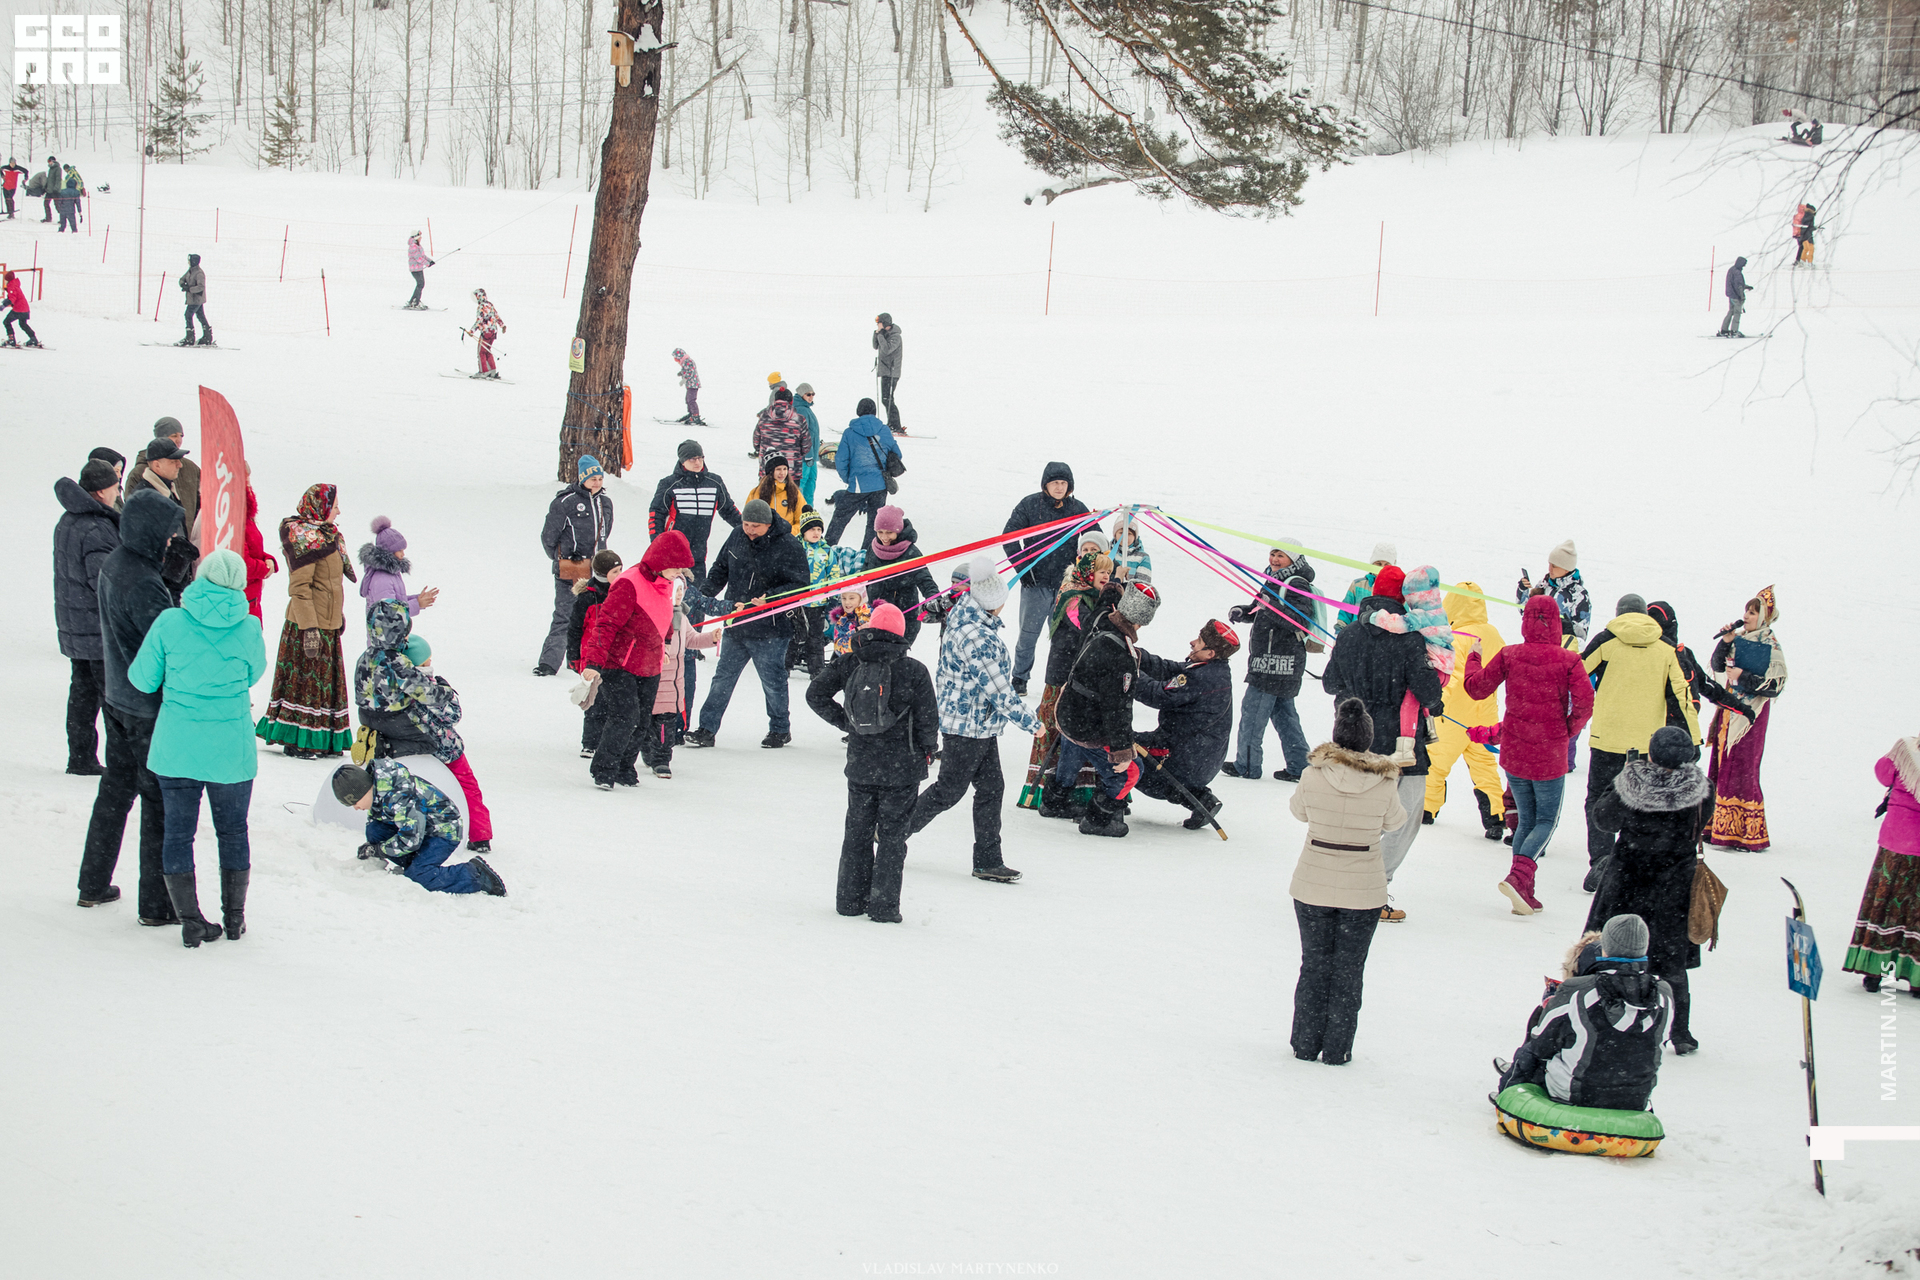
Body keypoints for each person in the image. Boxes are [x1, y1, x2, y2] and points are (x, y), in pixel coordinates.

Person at [127, 549, 268, 948]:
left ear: (199, 577)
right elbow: (254, 673)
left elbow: (142, 679)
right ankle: (235, 918)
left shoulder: (170, 621)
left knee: (177, 834)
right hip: (230, 748)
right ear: (240, 584)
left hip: (178, 745)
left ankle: (190, 921)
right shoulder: (249, 627)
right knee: (233, 832)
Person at [76, 491, 190, 922]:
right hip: (144, 708)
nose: (170, 540)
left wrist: (169, 579)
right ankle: (157, 905)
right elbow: (164, 641)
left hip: (117, 698)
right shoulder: (141, 580)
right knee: (157, 800)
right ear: (148, 531)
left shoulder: (119, 562)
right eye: (166, 533)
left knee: (115, 791)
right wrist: (173, 588)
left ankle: (93, 881)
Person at [909, 563, 1043, 882]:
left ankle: (987, 859)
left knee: (991, 787)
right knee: (948, 791)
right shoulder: (976, 635)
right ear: (991, 601)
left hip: (978, 724)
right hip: (966, 726)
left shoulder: (972, 620)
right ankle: (890, 829)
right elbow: (997, 688)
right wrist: (1031, 722)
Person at [1322, 565, 1444, 917]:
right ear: (1403, 599)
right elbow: (1426, 688)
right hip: (1400, 741)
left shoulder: (1347, 635)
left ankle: (1336, 880)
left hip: (1353, 735)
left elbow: (1330, 682)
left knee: (1354, 813)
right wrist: (1436, 701)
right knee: (1404, 817)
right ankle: (1374, 885)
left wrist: (1354, 700)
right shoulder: (1410, 637)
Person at [807, 602, 940, 922]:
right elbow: (928, 720)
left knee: (857, 832)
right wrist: (927, 750)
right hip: (902, 769)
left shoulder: (850, 662)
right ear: (900, 635)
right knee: (893, 838)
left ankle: (849, 901)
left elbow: (815, 695)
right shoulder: (914, 670)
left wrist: (847, 723)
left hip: (861, 765)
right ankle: (883, 907)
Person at [1288, 698, 1404, 1065]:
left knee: (1314, 964)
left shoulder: (1312, 774)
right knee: (1350, 970)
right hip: (1363, 887)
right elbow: (1395, 823)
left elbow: (1298, 811)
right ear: (1368, 741)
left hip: (1312, 882)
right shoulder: (1384, 782)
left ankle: (1305, 1043)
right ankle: (1338, 1047)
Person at [1462, 594, 1595, 913]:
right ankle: (1519, 876)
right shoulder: (1568, 660)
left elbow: (1476, 688)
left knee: (1526, 821)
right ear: (1556, 622)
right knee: (1545, 821)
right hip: (1549, 754)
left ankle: (1525, 890)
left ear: (1525, 621)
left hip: (1515, 752)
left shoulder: (1510, 655)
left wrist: (1474, 658)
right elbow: (1586, 702)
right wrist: (1568, 728)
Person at [1588, 727, 1711, 1054]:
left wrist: (1623, 778)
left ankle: (1600, 1013)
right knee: (1672, 963)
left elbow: (1603, 819)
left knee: (1608, 950)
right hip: (1675, 888)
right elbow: (1702, 824)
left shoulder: (1633, 783)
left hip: (1628, 882)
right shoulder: (1701, 789)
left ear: (1651, 752)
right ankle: (1681, 1032)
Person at [355, 602, 496, 851]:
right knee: (462, 773)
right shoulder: (397, 663)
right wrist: (444, 687)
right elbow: (433, 696)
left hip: (379, 734)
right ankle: (479, 833)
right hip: (410, 732)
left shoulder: (365, 658)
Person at [1495, 913, 1672, 1110]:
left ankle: (1509, 1093)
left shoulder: (1578, 989)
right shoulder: (1663, 993)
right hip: (1635, 1097)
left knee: (1535, 1043)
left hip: (1577, 1094)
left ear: (1605, 948)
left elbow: (1540, 1044)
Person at [1581, 598, 1699, 888]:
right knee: (1643, 801)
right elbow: (1681, 695)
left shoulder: (1607, 640)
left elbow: (1578, 671)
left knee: (1598, 798)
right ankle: (1634, 859)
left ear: (1619, 614)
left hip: (1608, 737)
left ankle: (1601, 860)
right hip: (1647, 743)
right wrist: (1693, 738)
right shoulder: (1664, 648)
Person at [685, 500, 809, 749]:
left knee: (773, 681)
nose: (750, 530)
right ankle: (706, 729)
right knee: (722, 678)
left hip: (771, 628)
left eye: (756, 526)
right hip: (737, 624)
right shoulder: (736, 535)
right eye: (746, 524)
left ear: (769, 524)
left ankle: (780, 729)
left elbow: (801, 585)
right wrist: (704, 596)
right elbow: (720, 569)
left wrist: (771, 597)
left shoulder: (788, 544)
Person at [580, 530, 695, 788]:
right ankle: (604, 769)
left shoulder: (665, 585)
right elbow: (605, 625)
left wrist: (664, 646)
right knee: (625, 716)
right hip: (619, 663)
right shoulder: (628, 583)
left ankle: (624, 769)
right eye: (675, 568)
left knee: (642, 721)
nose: (678, 574)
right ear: (661, 561)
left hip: (650, 664)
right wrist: (593, 663)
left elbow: (662, 618)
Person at [255, 483, 357, 758]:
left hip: (327, 622)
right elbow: (301, 589)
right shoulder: (306, 538)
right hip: (308, 626)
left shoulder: (328, 536)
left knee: (323, 686)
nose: (338, 511)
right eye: (334, 506)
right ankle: (298, 740)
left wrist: (337, 613)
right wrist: (310, 627)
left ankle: (322, 738)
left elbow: (330, 584)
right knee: (306, 685)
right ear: (321, 507)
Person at [1055, 581, 1162, 838]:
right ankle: (1098, 818)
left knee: (1072, 747)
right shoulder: (1122, 655)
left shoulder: (1100, 619)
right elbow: (1118, 709)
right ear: (1142, 621)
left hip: (1068, 711)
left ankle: (1054, 798)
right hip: (1088, 723)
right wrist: (1123, 752)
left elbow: (1104, 606)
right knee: (1132, 772)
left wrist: (1111, 592)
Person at [1020, 549, 1115, 816]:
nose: (1106, 576)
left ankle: (1084, 791)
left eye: (1109, 571)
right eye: (1101, 571)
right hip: (1063, 676)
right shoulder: (1073, 597)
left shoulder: (1094, 596)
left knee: (1082, 731)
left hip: (1084, 676)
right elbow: (1087, 627)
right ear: (1088, 573)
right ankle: (1048, 792)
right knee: (1057, 728)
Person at [330, 763, 506, 897]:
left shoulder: (398, 795)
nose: (355, 808)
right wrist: (373, 846)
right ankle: (417, 864)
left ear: (362, 791)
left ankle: (474, 874)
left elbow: (410, 839)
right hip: (421, 830)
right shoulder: (378, 792)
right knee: (375, 831)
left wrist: (379, 850)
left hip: (443, 830)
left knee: (419, 877)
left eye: (354, 802)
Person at [1132, 620, 1239, 830]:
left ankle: (1109, 804)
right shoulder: (1213, 670)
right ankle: (1201, 800)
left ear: (1210, 653)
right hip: (1203, 758)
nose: (1192, 642)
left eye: (1199, 641)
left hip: (1181, 758)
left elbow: (1159, 695)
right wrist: (1138, 656)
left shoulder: (1202, 677)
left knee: (1119, 745)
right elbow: (1169, 669)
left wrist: (1129, 672)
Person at [54, 458, 124, 775]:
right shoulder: (96, 527)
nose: (118, 490)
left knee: (81, 695)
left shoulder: (69, 519)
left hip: (75, 624)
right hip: (96, 629)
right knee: (111, 699)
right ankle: (118, 761)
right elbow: (103, 581)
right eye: (114, 485)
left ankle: (80, 756)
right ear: (99, 491)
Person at [1224, 545, 1316, 783]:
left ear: (1292, 559)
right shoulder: (1273, 579)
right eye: (1273, 554)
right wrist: (1243, 612)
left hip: (1274, 663)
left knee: (1253, 713)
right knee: (1285, 715)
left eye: (1280, 556)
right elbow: (1258, 609)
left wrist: (1269, 606)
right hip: (1279, 662)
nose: (1274, 559)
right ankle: (1300, 766)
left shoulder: (1297, 584)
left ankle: (1246, 765)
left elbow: (1299, 620)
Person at [1706, 586, 1786, 851]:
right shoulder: (1738, 638)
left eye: (1753, 612)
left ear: (1764, 616)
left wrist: (1742, 676)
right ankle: (1718, 826)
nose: (1747, 616)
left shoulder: (1770, 644)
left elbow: (1774, 685)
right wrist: (1726, 641)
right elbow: (1717, 665)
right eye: (1746, 611)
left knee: (1742, 767)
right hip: (1729, 710)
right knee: (1722, 762)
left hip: (1751, 715)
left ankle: (1745, 832)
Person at [1423, 582, 1506, 837]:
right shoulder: (1495, 635)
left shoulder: (1454, 638)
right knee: (1484, 764)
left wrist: (1435, 702)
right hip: (1485, 711)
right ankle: (1495, 816)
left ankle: (1425, 810)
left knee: (1435, 761)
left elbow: (1453, 676)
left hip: (1454, 711)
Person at [1002, 462, 1092, 693]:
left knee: (1065, 638)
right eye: (1055, 483)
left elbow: (1095, 540)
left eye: (1064, 483)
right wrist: (1023, 569)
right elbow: (1009, 537)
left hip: (1067, 587)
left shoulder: (1078, 509)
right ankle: (1019, 679)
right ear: (1046, 484)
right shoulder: (1030, 505)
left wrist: (1082, 572)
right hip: (1036, 584)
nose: (1059, 487)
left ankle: (1061, 683)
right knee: (1028, 636)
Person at [1844, 735, 1920, 995]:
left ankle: (1874, 970)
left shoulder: (1906, 751)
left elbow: (1883, 773)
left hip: (1896, 842)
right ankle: (1916, 976)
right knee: (1916, 912)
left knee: (1885, 904)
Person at [535, 455, 614, 676]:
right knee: (566, 614)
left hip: (599, 570)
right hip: (572, 570)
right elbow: (548, 536)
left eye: (600, 478)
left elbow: (606, 532)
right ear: (582, 478)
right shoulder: (565, 502)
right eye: (592, 478)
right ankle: (549, 663)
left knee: (600, 615)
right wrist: (563, 558)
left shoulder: (605, 502)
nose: (597, 483)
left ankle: (594, 661)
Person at [643, 577, 723, 779]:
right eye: (676, 591)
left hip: (675, 683)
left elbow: (691, 639)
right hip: (656, 680)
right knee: (651, 721)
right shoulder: (655, 614)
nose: (680, 595)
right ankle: (648, 749)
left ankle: (661, 759)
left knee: (666, 723)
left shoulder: (682, 617)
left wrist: (711, 638)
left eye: (682, 591)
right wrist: (660, 655)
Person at [648, 441, 742, 608]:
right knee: (671, 602)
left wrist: (747, 530)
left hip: (698, 556)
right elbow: (656, 515)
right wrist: (657, 547)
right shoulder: (669, 484)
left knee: (696, 603)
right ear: (682, 461)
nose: (698, 463)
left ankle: (694, 633)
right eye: (692, 459)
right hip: (672, 556)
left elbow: (729, 511)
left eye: (700, 458)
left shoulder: (714, 483)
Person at [568, 550, 622, 757]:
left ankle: (609, 742)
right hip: (592, 658)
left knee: (615, 702)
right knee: (595, 702)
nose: (620, 575)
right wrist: (573, 657)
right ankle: (590, 742)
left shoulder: (622, 593)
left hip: (616, 657)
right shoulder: (587, 598)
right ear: (601, 574)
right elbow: (574, 629)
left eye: (620, 570)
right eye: (615, 571)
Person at [826, 400, 901, 548]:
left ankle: (826, 550)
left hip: (858, 484)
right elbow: (897, 454)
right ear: (874, 412)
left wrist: (848, 478)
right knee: (874, 524)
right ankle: (868, 556)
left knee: (840, 518)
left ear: (858, 411)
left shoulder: (850, 432)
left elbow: (841, 459)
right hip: (880, 484)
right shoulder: (884, 430)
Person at [863, 505, 937, 650]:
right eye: (880, 532)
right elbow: (865, 573)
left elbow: (925, 579)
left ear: (898, 530)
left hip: (903, 615)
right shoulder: (874, 548)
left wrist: (933, 597)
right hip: (876, 614)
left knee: (895, 657)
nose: (884, 537)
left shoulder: (910, 553)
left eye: (889, 532)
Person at [129, 420, 203, 537]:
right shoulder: (139, 474)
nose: (179, 440)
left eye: (181, 436)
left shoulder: (191, 468)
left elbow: (202, 501)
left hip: (187, 539)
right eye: (174, 435)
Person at [358, 516, 440, 620]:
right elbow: (389, 612)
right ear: (389, 552)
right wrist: (417, 604)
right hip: (386, 634)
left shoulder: (390, 574)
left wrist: (419, 599)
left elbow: (397, 601)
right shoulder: (382, 580)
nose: (403, 554)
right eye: (400, 550)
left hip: (394, 633)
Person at [1335, 543, 1396, 635]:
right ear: (1372, 564)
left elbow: (1404, 619)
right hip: (1355, 639)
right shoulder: (1358, 585)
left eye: (1386, 565)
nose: (1382, 568)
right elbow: (1345, 613)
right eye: (1378, 564)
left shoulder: (1397, 590)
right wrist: (1339, 633)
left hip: (1384, 644)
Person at [241, 477, 278, 622]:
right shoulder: (236, 520)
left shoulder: (247, 519)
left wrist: (268, 558)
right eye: (247, 482)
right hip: (243, 601)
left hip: (252, 599)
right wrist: (265, 568)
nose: (250, 488)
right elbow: (243, 563)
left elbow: (253, 549)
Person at [753, 387, 812, 474]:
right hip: (791, 469)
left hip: (768, 468)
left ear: (775, 400)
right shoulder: (799, 419)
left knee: (767, 488)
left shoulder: (764, 418)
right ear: (791, 401)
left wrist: (766, 451)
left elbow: (756, 442)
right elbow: (806, 446)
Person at [753, 454, 809, 534]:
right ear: (771, 471)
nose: (782, 473)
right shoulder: (757, 492)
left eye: (785, 469)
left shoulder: (794, 492)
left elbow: (803, 520)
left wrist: (787, 532)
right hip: (764, 540)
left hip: (788, 539)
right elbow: (750, 520)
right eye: (778, 469)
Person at [872, 312, 905, 435]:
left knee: (888, 399)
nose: (878, 325)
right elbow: (875, 346)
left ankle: (896, 426)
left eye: (879, 323)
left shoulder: (896, 337)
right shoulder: (883, 334)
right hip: (885, 371)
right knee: (885, 399)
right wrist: (876, 334)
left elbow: (886, 350)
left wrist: (880, 335)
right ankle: (891, 424)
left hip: (892, 373)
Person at [793, 383, 822, 504]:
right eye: (808, 394)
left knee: (811, 483)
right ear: (801, 395)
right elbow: (803, 435)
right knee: (803, 484)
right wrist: (808, 453)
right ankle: (800, 509)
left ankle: (808, 509)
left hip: (811, 456)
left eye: (813, 394)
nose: (811, 397)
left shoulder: (806, 409)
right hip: (805, 457)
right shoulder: (801, 410)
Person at [469, 288, 504, 378]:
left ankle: (483, 371)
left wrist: (472, 331)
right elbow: (496, 316)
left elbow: (479, 320)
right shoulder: (489, 304)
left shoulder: (481, 307)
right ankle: (492, 370)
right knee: (487, 350)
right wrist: (502, 325)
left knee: (481, 352)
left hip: (486, 332)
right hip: (493, 332)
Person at [178, 253, 212, 347]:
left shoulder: (199, 273)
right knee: (200, 316)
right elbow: (182, 279)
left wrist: (190, 289)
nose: (188, 262)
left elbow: (201, 287)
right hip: (192, 299)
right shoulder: (190, 271)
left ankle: (190, 338)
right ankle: (207, 336)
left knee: (188, 315)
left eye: (190, 260)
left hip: (197, 299)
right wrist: (182, 284)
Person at [3, 268, 40, 347]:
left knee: (6, 322)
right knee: (23, 324)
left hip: (18, 309)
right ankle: (33, 338)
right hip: (25, 308)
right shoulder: (15, 284)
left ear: (8, 280)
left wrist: (4, 305)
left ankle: (11, 340)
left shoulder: (11, 286)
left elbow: (12, 299)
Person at [669, 347, 703, 425]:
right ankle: (691, 413)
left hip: (693, 384)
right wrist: (681, 372)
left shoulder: (688, 361)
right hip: (690, 384)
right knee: (688, 399)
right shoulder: (685, 362)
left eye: (676, 359)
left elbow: (690, 372)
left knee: (691, 400)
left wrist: (684, 379)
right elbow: (686, 370)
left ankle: (695, 416)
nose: (676, 361)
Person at [1719, 255, 1750, 337]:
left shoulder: (1732, 270)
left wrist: (1746, 286)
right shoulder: (1737, 272)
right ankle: (1734, 331)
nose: (1744, 266)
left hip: (1730, 294)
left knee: (1731, 311)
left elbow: (1735, 284)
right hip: (1736, 296)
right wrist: (1741, 296)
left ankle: (1724, 329)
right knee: (1737, 312)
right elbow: (1738, 286)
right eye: (1744, 264)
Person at [405, 232, 434, 308]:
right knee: (420, 284)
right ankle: (415, 302)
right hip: (415, 269)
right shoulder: (413, 247)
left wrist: (430, 261)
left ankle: (414, 301)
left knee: (420, 284)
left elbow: (422, 256)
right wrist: (427, 264)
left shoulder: (417, 246)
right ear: (416, 238)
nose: (421, 238)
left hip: (418, 268)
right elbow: (418, 258)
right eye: (420, 237)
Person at [41, 154, 60, 223]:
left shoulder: (58, 169)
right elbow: (49, 180)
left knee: (58, 205)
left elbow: (58, 180)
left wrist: (56, 189)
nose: (48, 162)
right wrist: (45, 187)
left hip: (55, 191)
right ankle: (48, 218)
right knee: (46, 203)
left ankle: (62, 218)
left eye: (49, 161)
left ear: (53, 161)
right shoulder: (50, 169)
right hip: (49, 190)